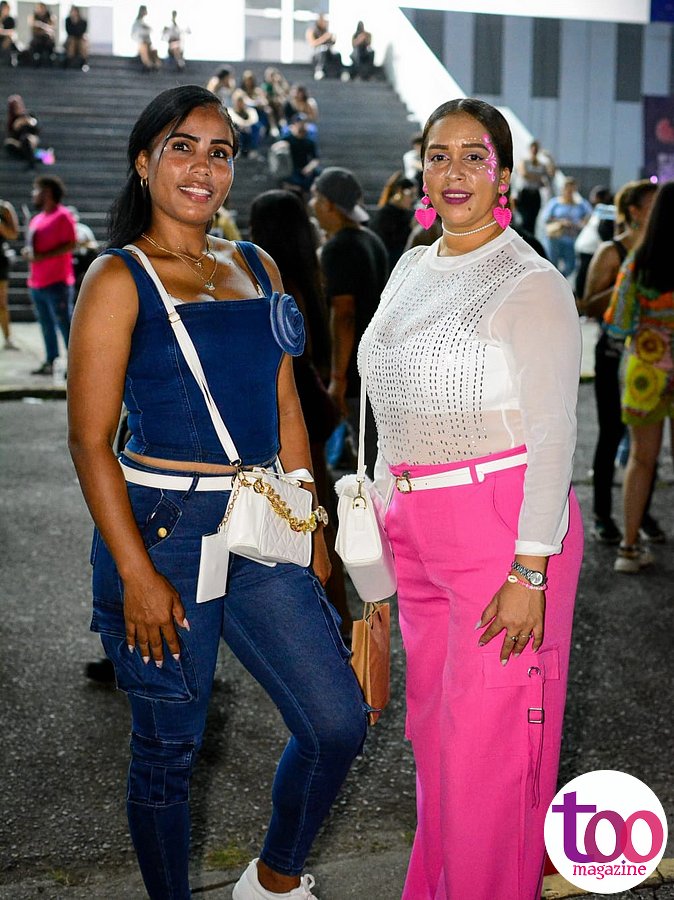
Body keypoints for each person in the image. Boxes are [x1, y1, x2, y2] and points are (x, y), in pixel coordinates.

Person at [67, 84, 366, 900]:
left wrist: (312, 527)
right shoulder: (117, 277)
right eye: (183, 147)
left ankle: (272, 880)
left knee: (337, 721)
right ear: (144, 162)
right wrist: (136, 574)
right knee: (169, 747)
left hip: (261, 521)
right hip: (163, 532)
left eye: (220, 151)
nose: (203, 167)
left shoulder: (256, 264)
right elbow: (89, 441)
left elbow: (285, 405)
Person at [360, 98, 583, 900]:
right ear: (421, 169)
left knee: (489, 754)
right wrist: (376, 556)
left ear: (505, 174)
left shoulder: (532, 283)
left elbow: (555, 436)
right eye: (438, 155)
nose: (453, 172)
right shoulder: (411, 267)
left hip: (503, 532)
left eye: (474, 156)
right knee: (435, 740)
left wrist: (531, 571)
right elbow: (386, 410)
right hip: (413, 526)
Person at [249, 189, 350, 636]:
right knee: (314, 511)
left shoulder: (272, 281)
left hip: (288, 410)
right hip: (309, 403)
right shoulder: (306, 273)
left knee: (305, 516)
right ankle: (332, 617)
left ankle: (328, 621)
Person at [578, 179, 658, 546]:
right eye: (653, 204)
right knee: (611, 433)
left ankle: (641, 513)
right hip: (613, 353)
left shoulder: (663, 251)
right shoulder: (611, 252)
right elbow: (588, 304)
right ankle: (601, 514)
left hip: (652, 359)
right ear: (634, 211)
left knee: (647, 445)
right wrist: (629, 279)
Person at [604, 181, 674, 574]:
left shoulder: (637, 262)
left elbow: (618, 323)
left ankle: (628, 548)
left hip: (645, 371)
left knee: (641, 458)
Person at [310, 167, 388, 475]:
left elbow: (344, 314)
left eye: (316, 198)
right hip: (379, 365)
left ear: (328, 204)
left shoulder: (338, 248)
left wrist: (337, 379)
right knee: (378, 453)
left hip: (355, 373)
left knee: (367, 460)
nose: (312, 205)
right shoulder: (372, 240)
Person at [24, 175, 76, 375]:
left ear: (47, 192)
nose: (33, 194)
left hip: (57, 281)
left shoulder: (63, 215)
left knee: (65, 324)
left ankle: (75, 365)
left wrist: (43, 255)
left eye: (36, 190)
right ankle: (50, 360)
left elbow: (71, 243)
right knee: (46, 325)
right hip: (37, 282)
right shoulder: (37, 218)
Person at [540, 176, 592, 280]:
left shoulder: (581, 204)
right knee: (552, 263)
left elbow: (589, 216)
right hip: (555, 238)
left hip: (571, 239)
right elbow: (546, 218)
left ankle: (561, 279)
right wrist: (561, 222)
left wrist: (578, 224)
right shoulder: (555, 203)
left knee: (570, 266)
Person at [368, 171, 416, 271]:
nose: (413, 199)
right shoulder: (385, 214)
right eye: (411, 195)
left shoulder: (406, 213)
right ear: (399, 192)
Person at [573, 186, 615, 300]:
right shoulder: (604, 210)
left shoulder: (606, 210)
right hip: (589, 248)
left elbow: (603, 230)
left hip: (590, 248)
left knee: (584, 277)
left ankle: (582, 301)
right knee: (584, 277)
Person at [515, 139, 555, 234]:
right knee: (524, 219)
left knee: (533, 220)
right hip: (525, 193)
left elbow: (550, 175)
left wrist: (551, 160)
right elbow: (524, 174)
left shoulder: (541, 164)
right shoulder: (524, 161)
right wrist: (539, 178)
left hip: (535, 194)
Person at [283, 114, 320, 196]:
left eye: (304, 123)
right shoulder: (287, 139)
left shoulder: (309, 141)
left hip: (304, 169)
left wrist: (310, 167)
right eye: (300, 123)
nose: (302, 125)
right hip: (291, 170)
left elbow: (315, 159)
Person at [0, 198, 19, 349]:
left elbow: (13, 234)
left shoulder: (4, 208)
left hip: (0, 260)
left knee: (1, 302)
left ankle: (7, 338)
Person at [5, 94, 39, 169]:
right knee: (10, 144)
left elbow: (35, 127)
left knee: (25, 140)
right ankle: (33, 157)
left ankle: (32, 162)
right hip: (19, 142)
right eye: (15, 107)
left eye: (19, 105)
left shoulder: (28, 115)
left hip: (30, 139)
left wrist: (27, 122)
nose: (18, 108)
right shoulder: (12, 120)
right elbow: (12, 134)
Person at [305, 13, 338, 81]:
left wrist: (332, 39)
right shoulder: (312, 30)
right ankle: (319, 70)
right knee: (322, 50)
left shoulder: (325, 31)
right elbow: (312, 43)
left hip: (327, 52)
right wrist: (324, 38)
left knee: (337, 55)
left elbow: (330, 44)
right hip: (317, 53)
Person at [131, 5, 160, 72]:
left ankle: (154, 65)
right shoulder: (137, 23)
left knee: (154, 51)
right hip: (142, 44)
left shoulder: (145, 22)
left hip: (148, 45)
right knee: (144, 47)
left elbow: (151, 30)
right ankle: (148, 64)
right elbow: (135, 35)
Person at [64, 5, 88, 71]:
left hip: (79, 39)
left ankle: (84, 62)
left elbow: (81, 31)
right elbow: (69, 31)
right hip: (71, 39)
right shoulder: (68, 20)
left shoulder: (83, 22)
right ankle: (70, 61)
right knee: (72, 41)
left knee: (82, 43)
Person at [0, 1, 19, 67]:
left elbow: (11, 32)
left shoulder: (10, 20)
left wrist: (3, 32)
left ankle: (4, 61)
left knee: (8, 39)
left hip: (4, 39)